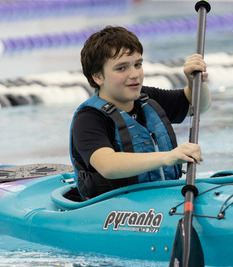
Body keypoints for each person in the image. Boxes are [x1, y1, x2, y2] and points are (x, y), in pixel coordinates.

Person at [70, 26, 211, 200]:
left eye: (137, 64)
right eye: (121, 68)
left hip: (162, 199)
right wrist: (167, 157)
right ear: (97, 77)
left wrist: (195, 82)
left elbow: (197, 106)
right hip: (115, 208)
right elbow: (107, 165)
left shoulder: (147, 99)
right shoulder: (89, 119)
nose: (135, 74)